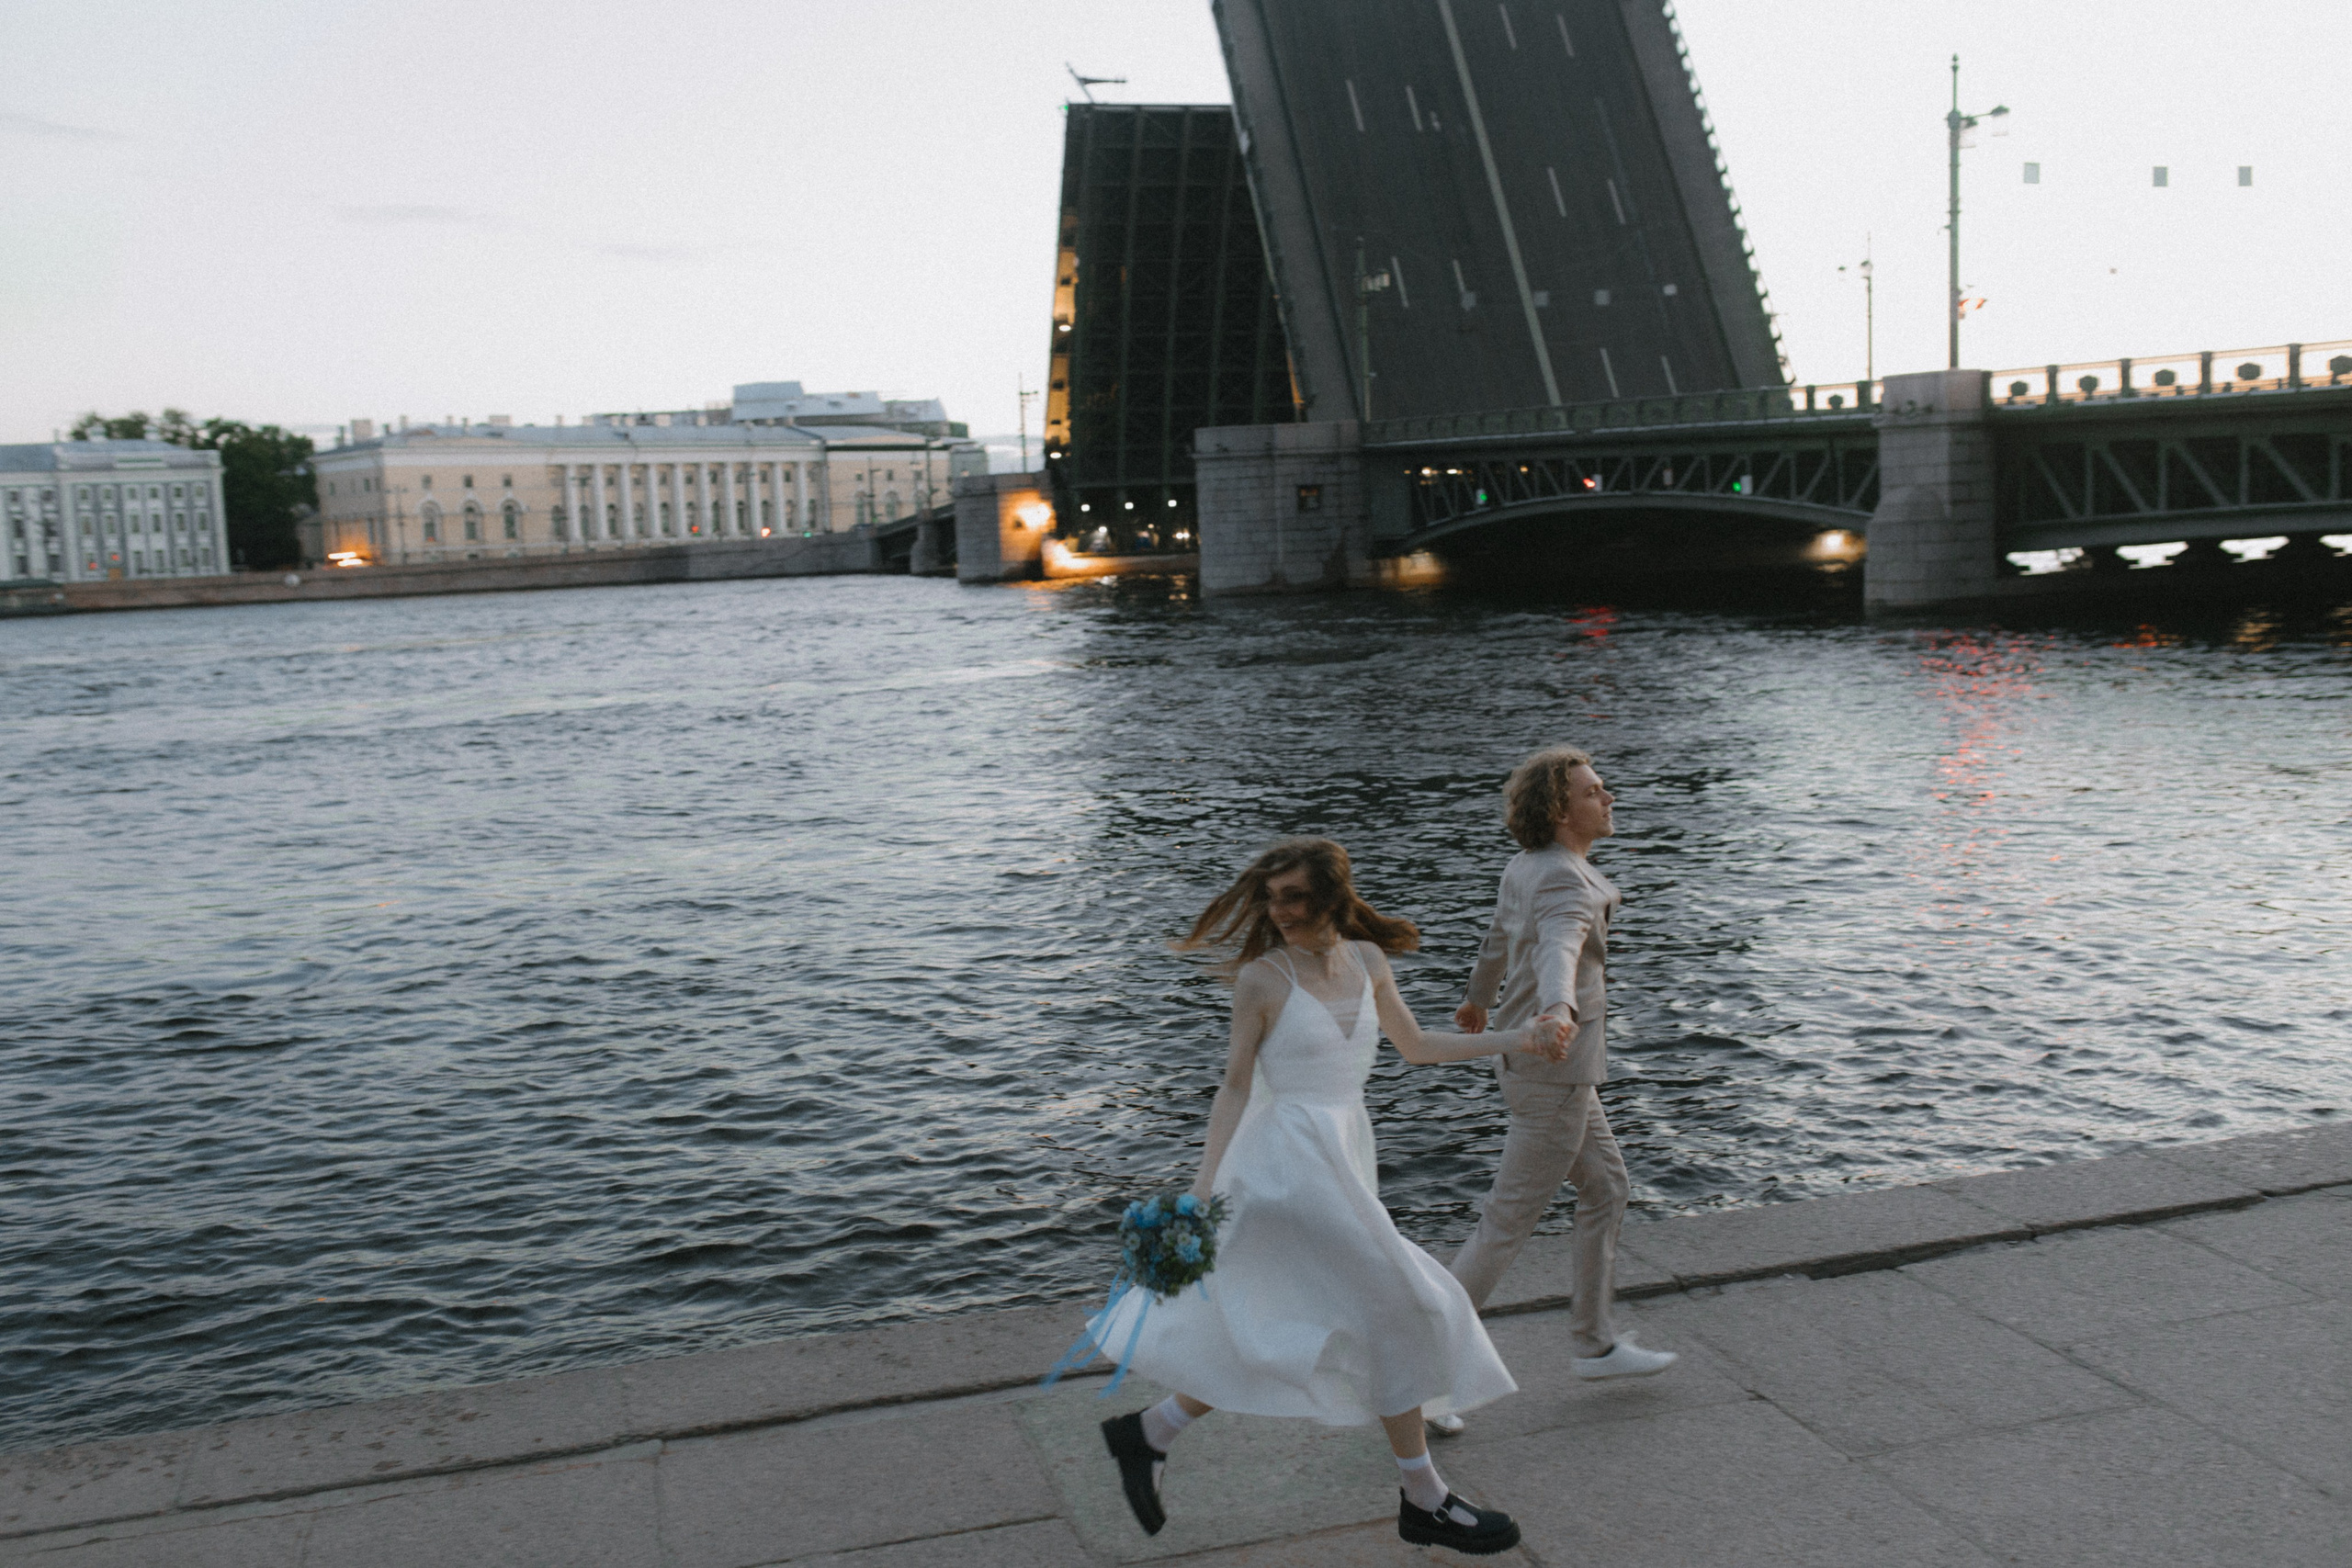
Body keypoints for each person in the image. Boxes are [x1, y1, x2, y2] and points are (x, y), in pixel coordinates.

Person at [1087, 838, 1570, 1557]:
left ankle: (1151, 1430)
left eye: (1293, 897)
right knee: (1405, 1302)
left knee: (1303, 1319)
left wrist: (1519, 1040)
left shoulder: (1369, 962)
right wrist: (1201, 1187)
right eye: (1272, 897)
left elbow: (1416, 1047)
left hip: (1341, 1153)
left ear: (1331, 898)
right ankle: (1424, 1496)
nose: (1279, 911)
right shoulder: (1262, 978)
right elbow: (1235, 1086)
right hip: (1283, 1166)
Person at [1441, 747, 1676, 1427]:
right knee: (1506, 1222)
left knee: (1606, 1188)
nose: (1608, 798)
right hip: (1553, 1065)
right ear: (1559, 809)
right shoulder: (1566, 882)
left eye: (1603, 787)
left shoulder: (1532, 866)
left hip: (1547, 1067)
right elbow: (1559, 950)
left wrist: (1479, 998)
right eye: (1594, 791)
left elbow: (1500, 935)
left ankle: (1595, 1340)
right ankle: (1424, 1370)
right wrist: (1559, 1007)